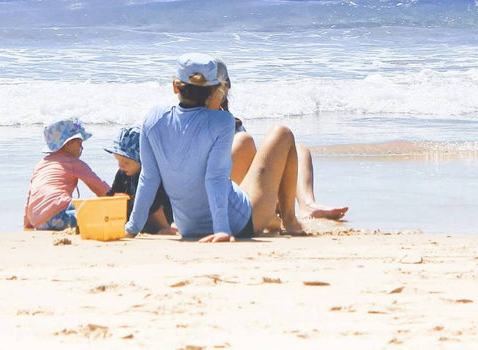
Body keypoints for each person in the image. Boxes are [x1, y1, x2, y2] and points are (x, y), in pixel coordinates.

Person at [125, 53, 306, 241]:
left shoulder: (153, 119)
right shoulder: (222, 121)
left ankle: (273, 219)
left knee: (240, 161)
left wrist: (131, 228)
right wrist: (222, 230)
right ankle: (290, 220)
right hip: (240, 223)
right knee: (282, 133)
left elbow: (149, 178)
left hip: (188, 228)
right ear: (214, 90)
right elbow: (215, 178)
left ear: (174, 86)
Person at [212, 59, 349, 221]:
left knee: (299, 150)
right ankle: (281, 209)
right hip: (226, 193)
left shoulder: (233, 123)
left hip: (246, 187)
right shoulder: (201, 124)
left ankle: (308, 204)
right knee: (245, 143)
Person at [23, 117, 110, 231]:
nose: (82, 147)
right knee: (99, 213)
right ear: (68, 143)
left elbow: (30, 196)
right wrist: (117, 200)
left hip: (38, 221)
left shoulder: (41, 164)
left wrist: (27, 224)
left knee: (78, 206)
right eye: (80, 143)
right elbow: (99, 187)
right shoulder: (72, 162)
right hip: (58, 215)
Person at [104, 126, 175, 235]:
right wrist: (114, 197)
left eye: (126, 162)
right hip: (138, 215)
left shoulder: (152, 175)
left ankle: (166, 227)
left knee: (149, 198)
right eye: (118, 160)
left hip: (162, 211)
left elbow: (161, 197)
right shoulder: (122, 173)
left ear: (142, 160)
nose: (121, 166)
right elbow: (111, 194)